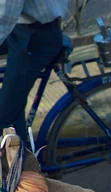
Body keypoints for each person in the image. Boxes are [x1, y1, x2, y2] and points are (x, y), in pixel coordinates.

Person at [0, 0, 68, 143]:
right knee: (12, 101)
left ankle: (22, 160)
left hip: (35, 36)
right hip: (22, 28)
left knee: (4, 115)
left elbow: (6, 14)